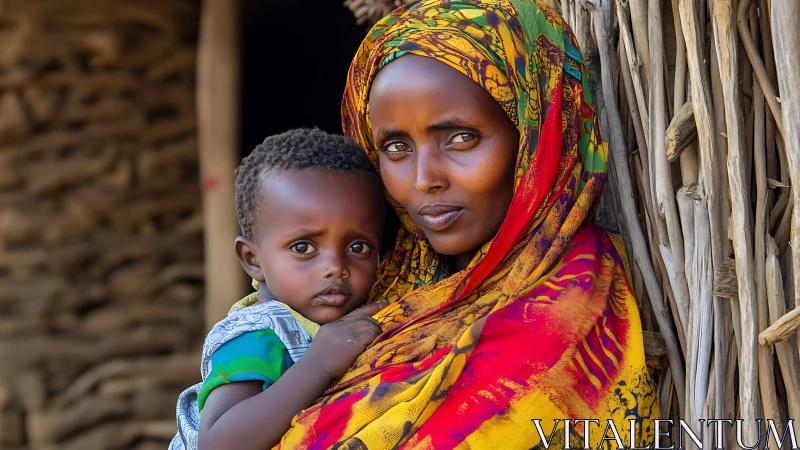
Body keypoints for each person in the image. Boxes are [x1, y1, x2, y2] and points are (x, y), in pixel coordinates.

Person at [266, 0, 659, 448]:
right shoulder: (383, 287)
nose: (423, 179)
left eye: (461, 137)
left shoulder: (567, 314)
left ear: (535, 133)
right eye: (396, 147)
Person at [170, 128, 386, 450]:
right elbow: (219, 443)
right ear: (253, 259)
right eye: (303, 247)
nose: (336, 266)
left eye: (358, 246)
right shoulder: (257, 334)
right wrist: (320, 363)